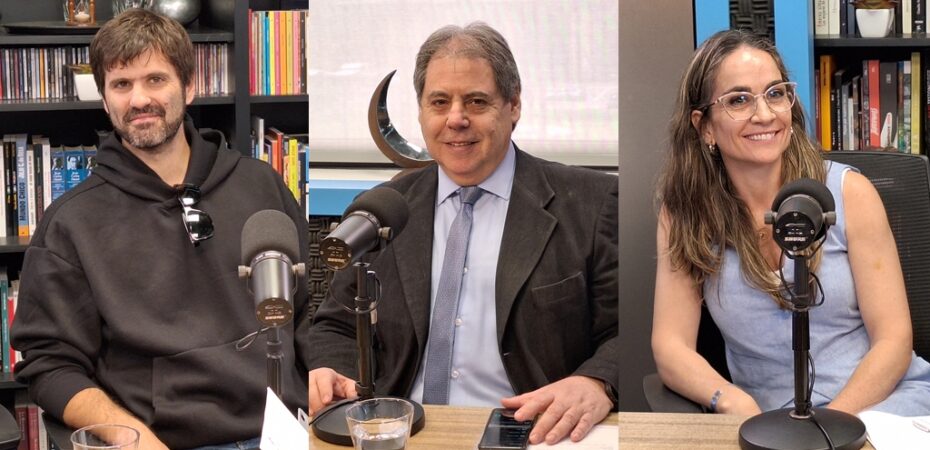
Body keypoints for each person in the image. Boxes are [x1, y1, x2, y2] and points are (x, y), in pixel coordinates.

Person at [11, 10, 312, 449]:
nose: (139, 100)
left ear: (188, 86)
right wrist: (130, 438)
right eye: (121, 84)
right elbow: (49, 365)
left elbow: (310, 309)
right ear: (105, 99)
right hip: (160, 440)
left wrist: (326, 369)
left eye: (155, 80)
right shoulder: (71, 222)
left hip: (284, 432)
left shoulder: (260, 185)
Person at [306, 22, 618, 445]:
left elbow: (627, 332)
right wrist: (331, 370)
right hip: (402, 431)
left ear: (513, 105)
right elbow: (335, 325)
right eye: (439, 102)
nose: (456, 119)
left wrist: (596, 382)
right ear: (421, 112)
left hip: (530, 432)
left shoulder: (591, 204)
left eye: (476, 101)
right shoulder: (381, 210)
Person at [652, 29, 930, 416]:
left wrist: (831, 425)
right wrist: (729, 399)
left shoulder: (851, 193)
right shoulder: (686, 213)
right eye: (738, 99)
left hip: (881, 406)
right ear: (705, 126)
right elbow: (671, 346)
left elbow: (894, 339)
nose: (765, 114)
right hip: (770, 423)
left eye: (775, 93)